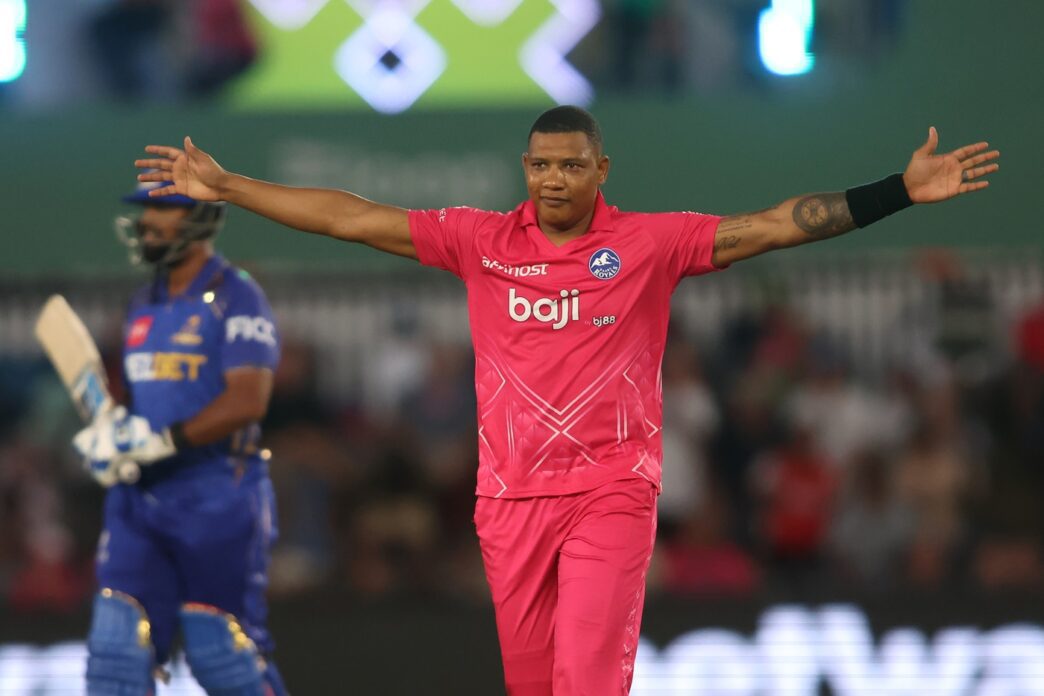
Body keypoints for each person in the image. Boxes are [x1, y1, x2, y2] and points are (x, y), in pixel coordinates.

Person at [134, 106, 998, 695]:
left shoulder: (650, 244)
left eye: (571, 166)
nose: (553, 180)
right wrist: (231, 186)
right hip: (509, 503)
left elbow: (772, 226)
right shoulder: (479, 240)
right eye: (541, 165)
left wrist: (898, 190)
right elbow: (350, 218)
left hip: (610, 491)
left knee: (586, 681)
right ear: (527, 168)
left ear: (600, 169)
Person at [71, 178, 287, 694]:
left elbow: (248, 401)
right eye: (145, 209)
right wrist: (112, 436)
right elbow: (143, 403)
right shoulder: (142, 302)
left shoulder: (237, 296)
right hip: (140, 499)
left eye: (163, 209)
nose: (148, 221)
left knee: (222, 653)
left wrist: (160, 442)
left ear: (200, 218)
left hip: (219, 494)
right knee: (116, 653)